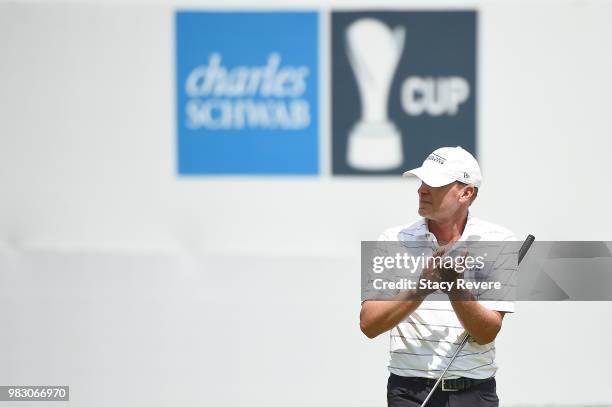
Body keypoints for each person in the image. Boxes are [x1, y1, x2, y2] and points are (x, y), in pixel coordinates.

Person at [360, 146, 516, 407]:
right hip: (408, 391)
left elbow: (487, 332)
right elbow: (369, 324)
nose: (421, 190)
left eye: (435, 184)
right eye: (422, 181)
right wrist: (420, 289)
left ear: (466, 193)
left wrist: (456, 289)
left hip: (474, 393)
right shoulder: (393, 239)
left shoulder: (499, 241)